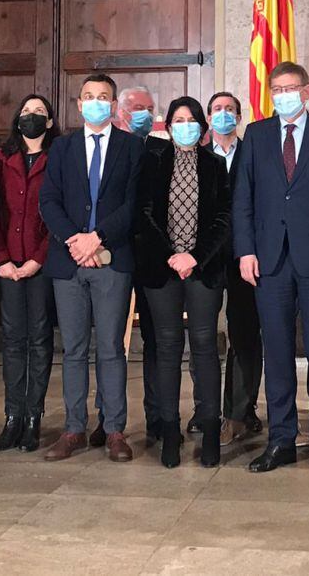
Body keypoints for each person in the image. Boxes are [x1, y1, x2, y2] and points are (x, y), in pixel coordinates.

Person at [232, 61, 309, 477]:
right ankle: (280, 438)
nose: (282, 94)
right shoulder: (257, 134)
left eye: (290, 87)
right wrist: (245, 251)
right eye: (275, 88)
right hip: (269, 259)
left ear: (305, 91)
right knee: (277, 351)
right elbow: (243, 199)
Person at [40, 74, 141, 463]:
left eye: (103, 97)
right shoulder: (62, 148)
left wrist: (97, 237)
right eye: (88, 97)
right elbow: (49, 200)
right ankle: (73, 428)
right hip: (69, 263)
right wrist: (75, 240)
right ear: (78, 104)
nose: (96, 102)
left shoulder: (132, 147)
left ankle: (114, 429)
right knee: (75, 348)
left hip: (112, 261)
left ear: (113, 105)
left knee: (112, 348)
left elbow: (132, 204)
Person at [138, 97, 231, 467]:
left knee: (206, 347)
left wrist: (194, 256)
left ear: (202, 126)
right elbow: (143, 214)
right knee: (167, 347)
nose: (185, 125)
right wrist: (171, 256)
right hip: (162, 269)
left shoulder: (216, 164)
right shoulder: (153, 160)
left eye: (191, 119)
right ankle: (169, 432)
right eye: (178, 119)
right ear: (169, 126)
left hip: (202, 269)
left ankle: (210, 430)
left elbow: (223, 218)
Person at [0, 95, 59, 454]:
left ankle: (34, 419)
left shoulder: (58, 157)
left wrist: (38, 259)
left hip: (40, 264)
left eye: (39, 114)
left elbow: (61, 212)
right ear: (18, 120)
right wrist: (2, 258)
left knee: (39, 339)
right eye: (26, 112)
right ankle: (12, 417)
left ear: (49, 123)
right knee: (13, 341)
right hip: (7, 264)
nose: (31, 118)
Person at [209, 91, 264, 445]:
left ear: (239, 116)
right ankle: (207, 411)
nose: (224, 114)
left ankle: (240, 413)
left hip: (245, 256)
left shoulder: (253, 153)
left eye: (230, 109)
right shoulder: (196, 154)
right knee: (203, 337)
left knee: (244, 335)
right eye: (217, 109)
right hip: (206, 260)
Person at [113, 84, 166, 446]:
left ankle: (158, 416)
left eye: (149, 108)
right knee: (109, 341)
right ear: (120, 112)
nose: (143, 113)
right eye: (136, 107)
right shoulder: (107, 147)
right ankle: (109, 418)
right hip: (113, 254)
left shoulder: (162, 149)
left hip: (152, 258)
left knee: (156, 340)